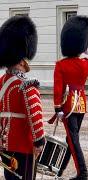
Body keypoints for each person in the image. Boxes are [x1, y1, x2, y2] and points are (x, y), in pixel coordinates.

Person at [52, 16, 88, 179]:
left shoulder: (61, 65)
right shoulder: (85, 63)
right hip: (81, 105)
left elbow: (58, 89)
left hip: (67, 106)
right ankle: (59, 170)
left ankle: (82, 173)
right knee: (71, 140)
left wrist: (58, 108)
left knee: (73, 140)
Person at [0, 16, 45, 180]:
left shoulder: (2, 82)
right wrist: (39, 141)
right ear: (20, 61)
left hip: (5, 144)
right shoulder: (26, 84)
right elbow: (35, 115)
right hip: (23, 146)